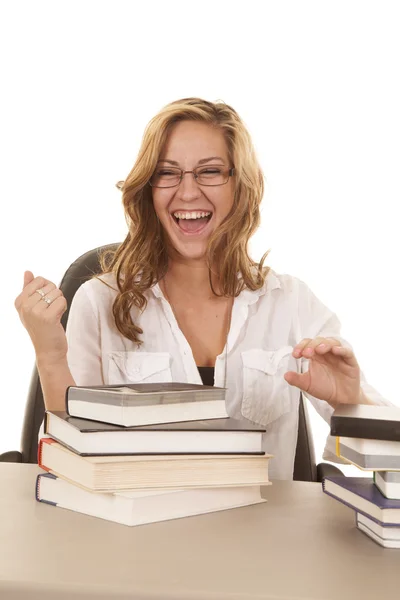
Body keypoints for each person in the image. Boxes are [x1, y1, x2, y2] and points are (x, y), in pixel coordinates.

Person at [14, 97, 391, 479]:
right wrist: (50, 355)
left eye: (209, 171)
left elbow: (388, 455)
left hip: (261, 535)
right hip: (141, 535)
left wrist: (350, 400)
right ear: (149, 188)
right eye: (167, 173)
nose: (188, 192)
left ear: (239, 185)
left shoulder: (291, 303)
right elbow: (71, 466)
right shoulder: (99, 301)